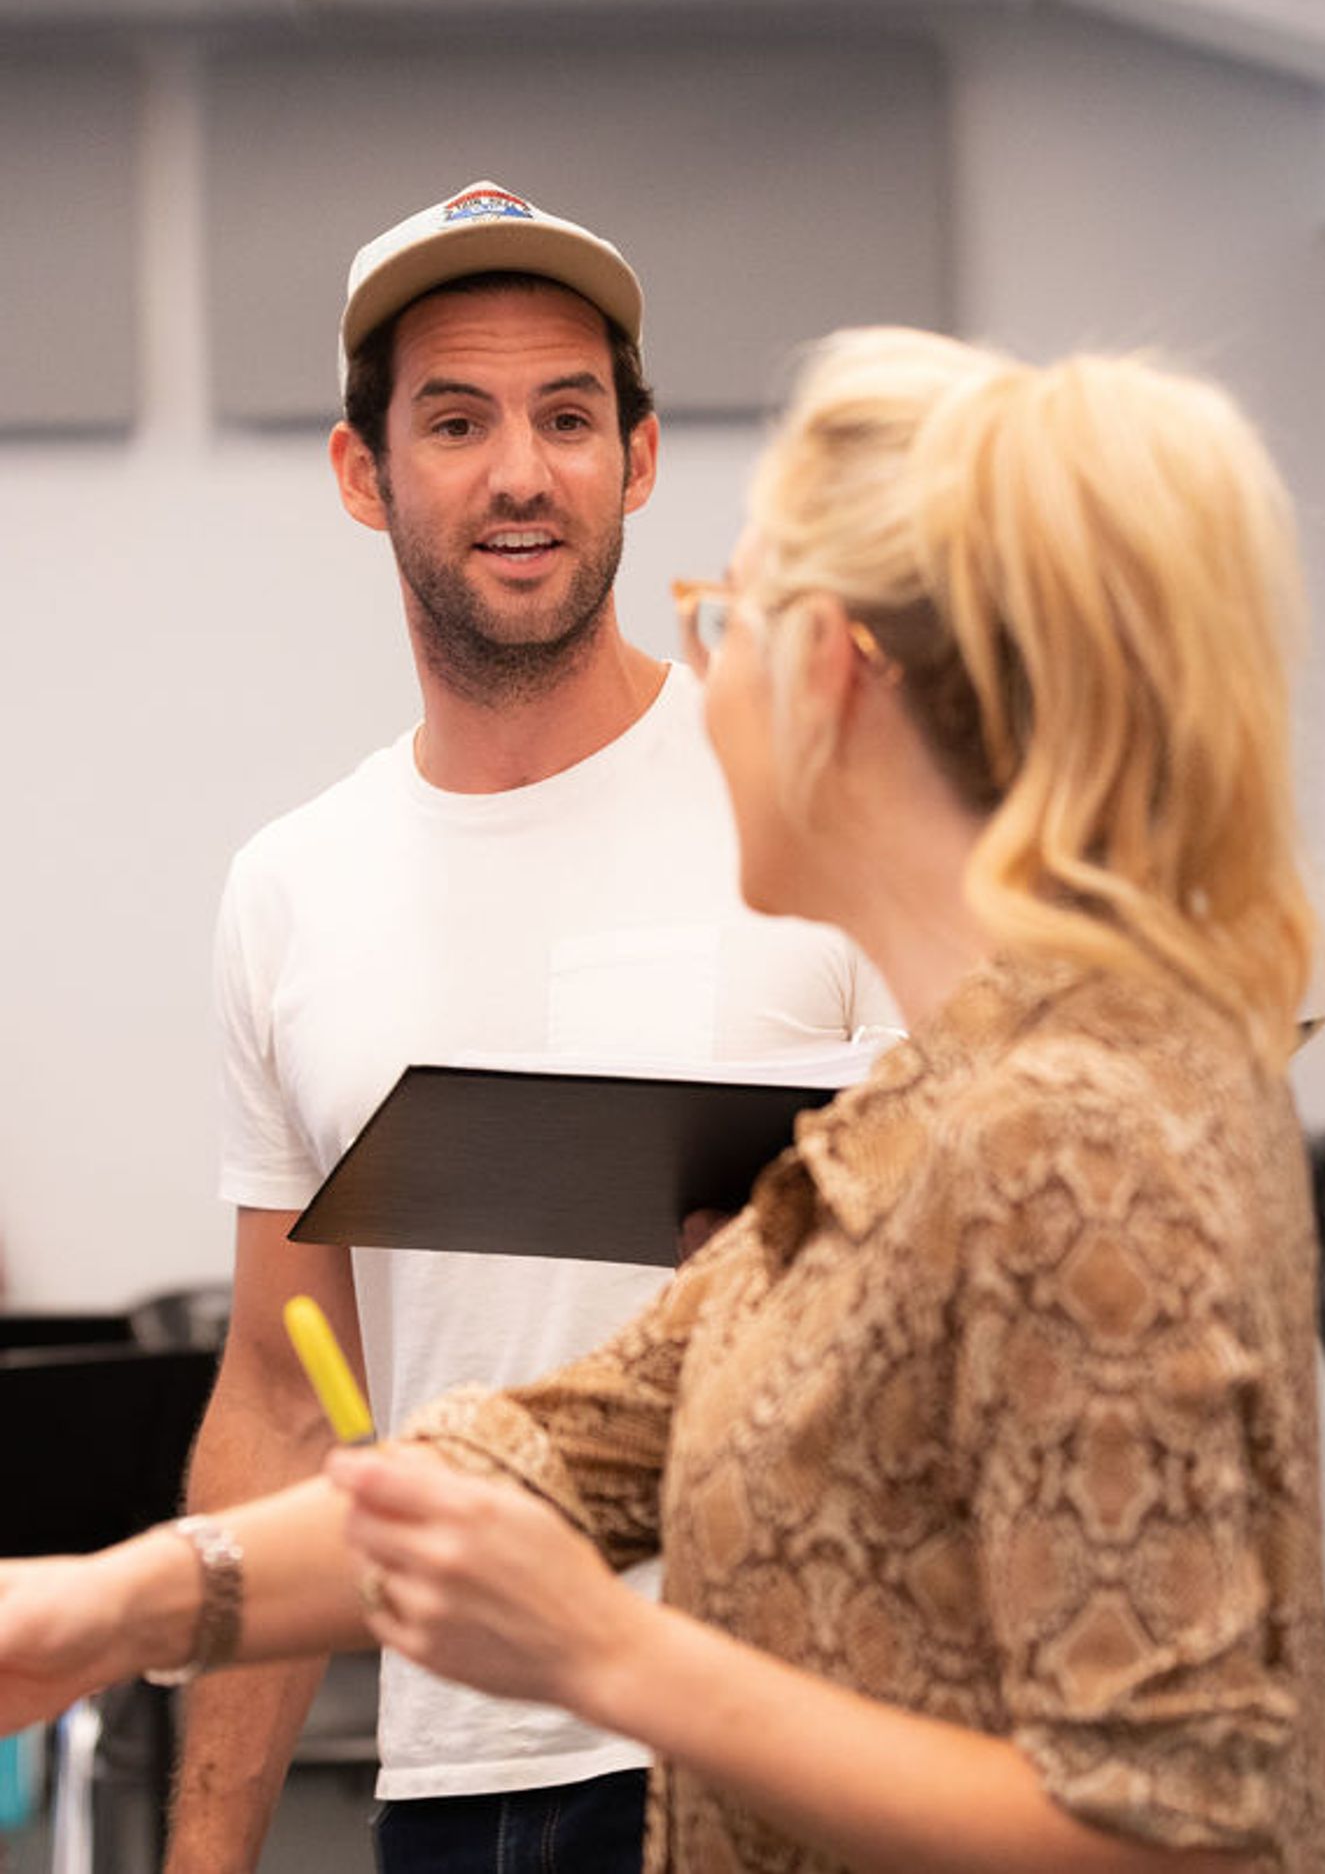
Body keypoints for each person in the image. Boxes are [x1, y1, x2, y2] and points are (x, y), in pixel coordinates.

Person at [0, 327, 1325, 1874]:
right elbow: (560, 1448)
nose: (703, 689)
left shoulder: (1072, 1140)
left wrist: (611, 1660)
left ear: (836, 671)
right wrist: (107, 1607)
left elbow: (1185, 1831)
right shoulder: (915, 1122)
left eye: (732, 622)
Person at [161, 183, 896, 1874]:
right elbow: (283, 1393)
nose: (520, 473)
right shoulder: (293, 890)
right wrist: (206, 1858)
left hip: (782, 1747)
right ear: (367, 475)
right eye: (458, 420)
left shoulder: (811, 802)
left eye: (570, 417)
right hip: (451, 1772)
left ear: (639, 459)